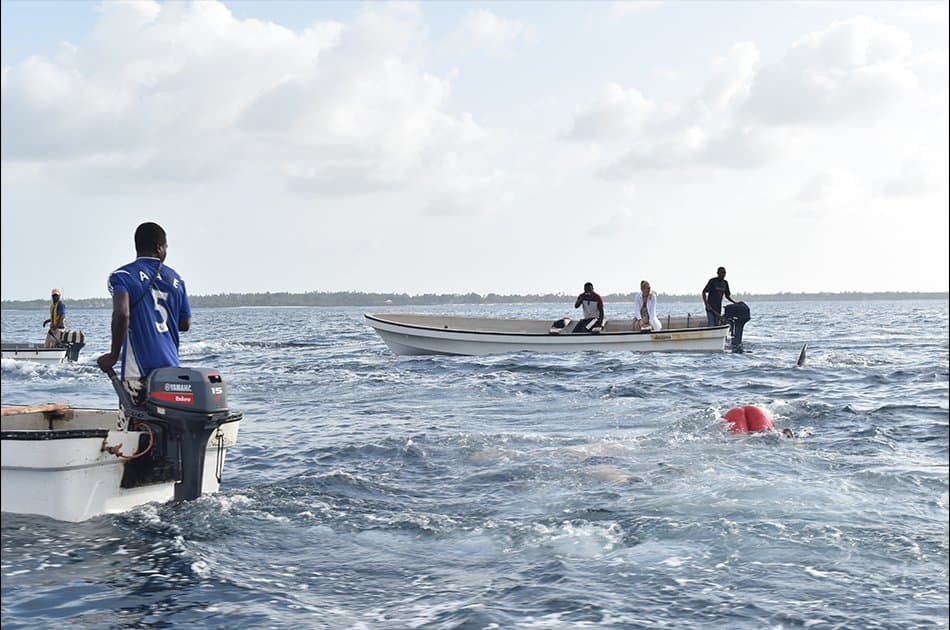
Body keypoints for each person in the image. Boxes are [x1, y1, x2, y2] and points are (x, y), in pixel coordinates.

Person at [97, 222, 192, 407]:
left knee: (133, 421)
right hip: (170, 370)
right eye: (165, 247)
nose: (166, 251)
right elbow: (185, 324)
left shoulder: (122, 275)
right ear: (158, 248)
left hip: (138, 371)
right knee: (166, 419)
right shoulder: (176, 279)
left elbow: (122, 315)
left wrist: (113, 355)